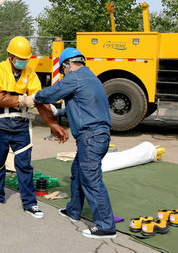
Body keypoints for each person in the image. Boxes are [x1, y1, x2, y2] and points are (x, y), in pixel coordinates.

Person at [33, 47, 116, 239]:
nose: (64, 73)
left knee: (91, 180)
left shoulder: (75, 77)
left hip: (91, 137)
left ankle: (105, 226)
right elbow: (82, 105)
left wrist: (34, 97)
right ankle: (73, 210)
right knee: (78, 173)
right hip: (99, 136)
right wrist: (58, 113)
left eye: (63, 70)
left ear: (67, 65)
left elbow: (51, 93)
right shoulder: (92, 78)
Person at [0, 36, 68, 218]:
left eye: (25, 59)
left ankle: (30, 203)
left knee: (24, 165)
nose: (23, 62)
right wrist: (21, 99)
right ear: (11, 56)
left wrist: (53, 124)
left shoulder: (30, 74)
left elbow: (39, 102)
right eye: (20, 59)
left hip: (21, 125)